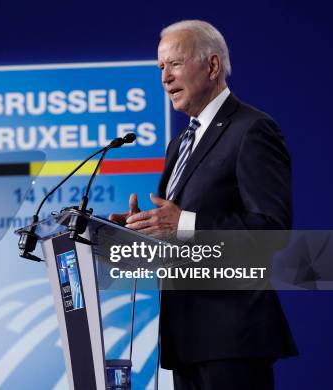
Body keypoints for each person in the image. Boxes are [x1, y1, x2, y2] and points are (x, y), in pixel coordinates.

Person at [110, 20, 297, 390]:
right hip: (185, 338)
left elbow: (272, 230)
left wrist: (184, 223)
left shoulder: (252, 129)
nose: (165, 77)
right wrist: (142, 229)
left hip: (233, 339)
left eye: (175, 64)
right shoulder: (179, 143)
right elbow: (177, 238)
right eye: (161, 67)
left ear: (212, 67)